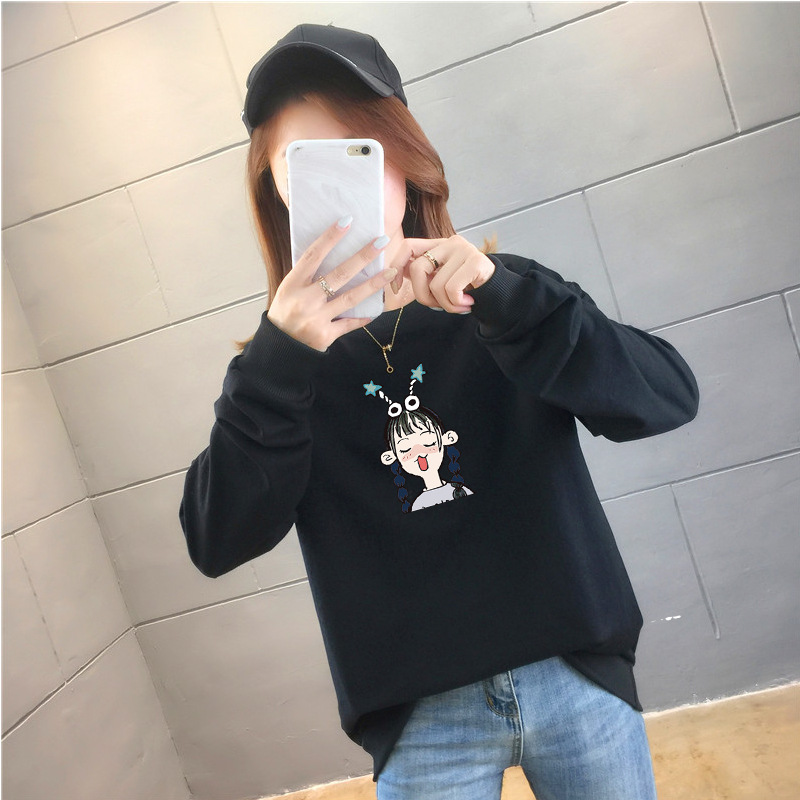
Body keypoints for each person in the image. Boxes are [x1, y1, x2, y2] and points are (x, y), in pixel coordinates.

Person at [180, 23, 699, 800]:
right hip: (420, 721)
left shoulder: (506, 299)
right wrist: (277, 361)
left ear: (405, 158)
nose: (341, 183)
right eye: (304, 162)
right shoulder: (277, 373)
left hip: (575, 676)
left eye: (359, 149)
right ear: (277, 191)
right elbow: (217, 539)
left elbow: (665, 398)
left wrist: (508, 301)